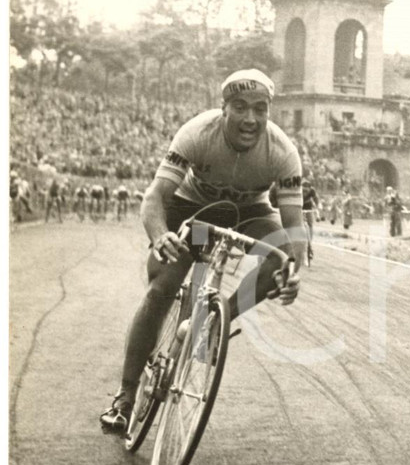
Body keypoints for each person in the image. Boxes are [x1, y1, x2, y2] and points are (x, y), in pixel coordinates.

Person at [99, 69, 305, 433]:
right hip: (193, 214)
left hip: (248, 213)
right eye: (240, 107)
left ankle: (215, 323)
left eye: (260, 109)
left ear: (269, 112)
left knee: (278, 259)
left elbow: (293, 226)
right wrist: (161, 236)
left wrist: (293, 271)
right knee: (162, 287)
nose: (250, 119)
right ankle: (125, 396)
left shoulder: (283, 151)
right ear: (223, 108)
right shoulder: (197, 132)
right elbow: (154, 197)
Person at [302, 178, 321, 263]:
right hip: (299, 206)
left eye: (306, 191)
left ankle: (310, 242)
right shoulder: (297, 190)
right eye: (303, 190)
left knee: (310, 224)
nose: (305, 192)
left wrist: (318, 207)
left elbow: (316, 200)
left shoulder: (312, 191)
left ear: (310, 189)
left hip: (308, 207)